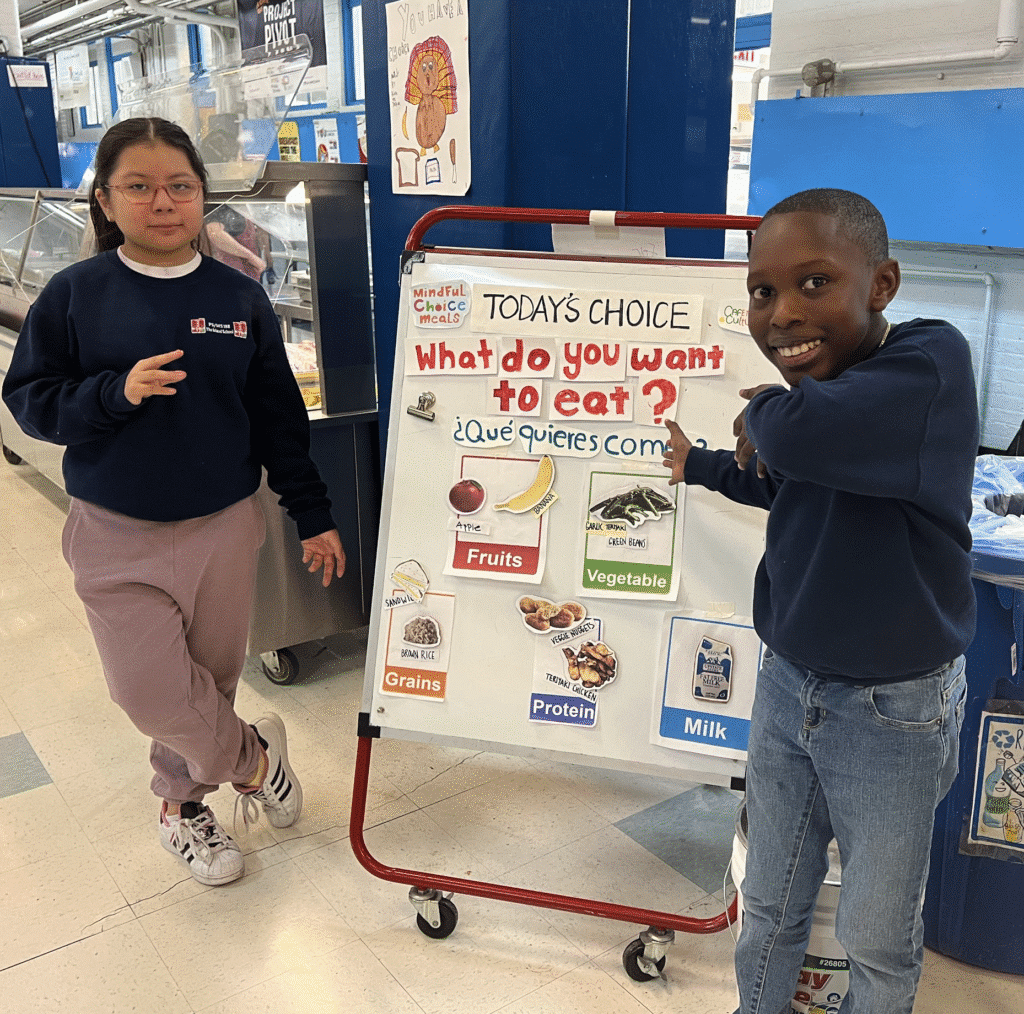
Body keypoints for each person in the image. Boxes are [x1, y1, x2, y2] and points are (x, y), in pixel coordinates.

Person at [2, 117, 346, 887]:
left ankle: (181, 807)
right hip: (113, 529)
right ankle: (256, 762)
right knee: (149, 690)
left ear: (202, 197)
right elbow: (28, 400)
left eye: (180, 186)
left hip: (224, 525)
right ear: (104, 200)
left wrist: (312, 512)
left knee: (205, 682)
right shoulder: (74, 296)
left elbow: (276, 417)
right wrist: (111, 393)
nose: (164, 202)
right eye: (140, 187)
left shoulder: (237, 296)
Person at [662, 188, 977, 1014]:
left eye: (814, 283)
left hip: (892, 708)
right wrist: (702, 465)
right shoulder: (819, 406)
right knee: (767, 901)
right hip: (789, 683)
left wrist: (767, 411)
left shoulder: (927, 365)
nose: (782, 313)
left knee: (876, 934)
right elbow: (789, 479)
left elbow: (793, 437)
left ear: (881, 285)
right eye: (763, 291)